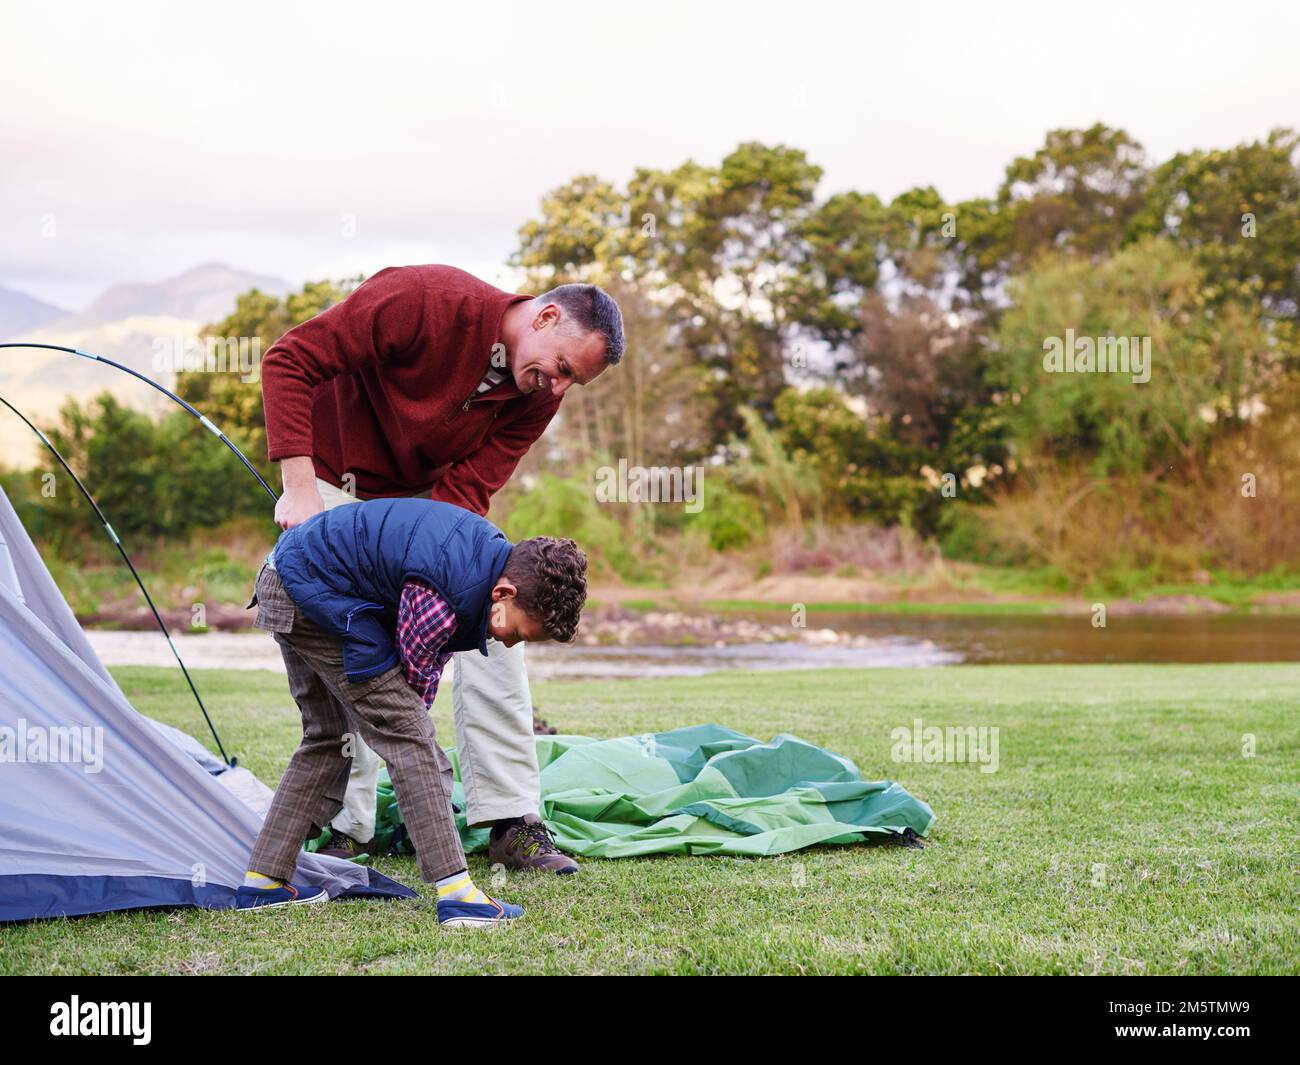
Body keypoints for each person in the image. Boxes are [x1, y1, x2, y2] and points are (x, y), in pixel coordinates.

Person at [261, 266, 623, 873]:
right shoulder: (424, 300)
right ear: (545, 316)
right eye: (562, 368)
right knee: (353, 641)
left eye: (573, 383)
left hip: (424, 507)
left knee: (499, 628)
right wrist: (299, 488)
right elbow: (289, 360)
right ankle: (348, 826)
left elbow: (467, 489)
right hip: (331, 484)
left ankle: (511, 819)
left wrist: (436, 588)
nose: (558, 389)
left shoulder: (537, 398)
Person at [235, 497, 588, 926]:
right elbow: (409, 705)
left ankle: (263, 882)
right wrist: (419, 773)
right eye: (515, 632)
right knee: (414, 742)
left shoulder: (484, 559)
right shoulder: (446, 592)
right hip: (310, 593)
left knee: (329, 738)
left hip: (284, 577)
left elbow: (424, 663)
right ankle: (457, 894)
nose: (511, 644)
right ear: (505, 592)